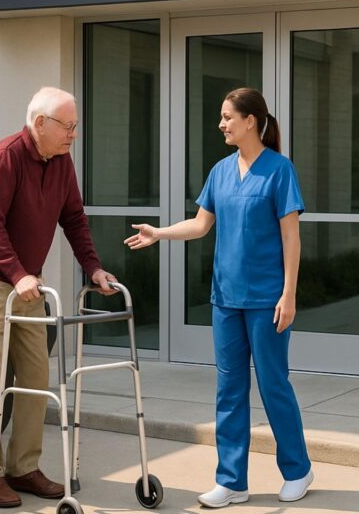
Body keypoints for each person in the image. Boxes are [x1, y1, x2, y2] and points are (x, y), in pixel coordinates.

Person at [125, 88, 314, 508]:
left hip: (267, 299)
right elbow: (200, 225)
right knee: (228, 389)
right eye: (221, 117)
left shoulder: (280, 171)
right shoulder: (221, 170)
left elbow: (291, 237)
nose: (222, 124)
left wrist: (289, 294)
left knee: (272, 384)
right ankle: (232, 481)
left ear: (251, 121)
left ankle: (298, 469)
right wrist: (158, 233)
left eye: (228, 117)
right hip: (226, 299)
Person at [0, 86, 118, 508]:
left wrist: (93, 267)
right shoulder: (7, 157)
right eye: (68, 127)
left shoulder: (60, 162)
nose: (73, 135)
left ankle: (23, 467)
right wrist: (16, 274)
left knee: (34, 376)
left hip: (27, 280)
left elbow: (74, 219)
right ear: (39, 123)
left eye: (76, 127)